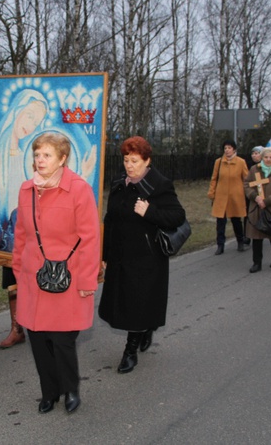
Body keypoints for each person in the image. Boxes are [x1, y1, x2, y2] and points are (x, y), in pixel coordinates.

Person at [11, 132, 100, 414]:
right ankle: (48, 392)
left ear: (63, 159)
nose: (40, 160)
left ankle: (71, 389)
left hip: (68, 278)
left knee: (62, 340)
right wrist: (19, 271)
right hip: (33, 280)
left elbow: (90, 239)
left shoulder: (79, 189)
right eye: (37, 155)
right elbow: (21, 234)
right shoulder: (26, 189)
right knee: (38, 340)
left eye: (47, 155)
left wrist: (87, 280)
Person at [99, 136, 186, 375]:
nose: (129, 165)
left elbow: (177, 216)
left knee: (137, 304)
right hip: (120, 254)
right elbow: (110, 218)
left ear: (147, 161)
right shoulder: (119, 181)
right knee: (123, 302)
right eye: (126, 159)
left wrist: (150, 211)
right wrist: (104, 252)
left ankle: (130, 351)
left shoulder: (160, 184)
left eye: (134, 160)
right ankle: (147, 327)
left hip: (147, 257)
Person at [244, 147, 271, 273]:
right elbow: (247, 185)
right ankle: (257, 262)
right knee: (256, 235)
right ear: (261, 158)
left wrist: (267, 201)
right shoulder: (254, 169)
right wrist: (256, 197)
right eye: (266, 157)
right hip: (256, 206)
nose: (268, 160)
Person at [208, 140, 249, 255]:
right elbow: (214, 178)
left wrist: (249, 193)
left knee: (236, 221)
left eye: (229, 148)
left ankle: (240, 242)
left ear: (234, 149)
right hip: (221, 196)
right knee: (220, 222)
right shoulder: (219, 162)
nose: (227, 150)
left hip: (235, 196)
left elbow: (247, 179)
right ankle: (220, 245)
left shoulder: (241, 162)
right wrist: (212, 193)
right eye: (225, 148)